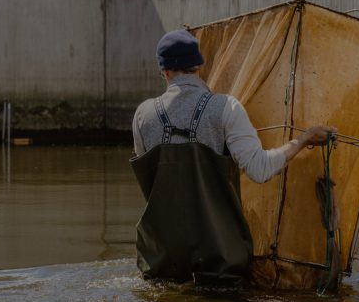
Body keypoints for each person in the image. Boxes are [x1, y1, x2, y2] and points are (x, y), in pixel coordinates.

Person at [130, 29, 333, 285]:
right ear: (200, 67)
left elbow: (153, 184)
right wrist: (303, 139)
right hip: (220, 259)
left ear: (165, 72)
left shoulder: (142, 116)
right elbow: (260, 169)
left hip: (160, 258)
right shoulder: (226, 107)